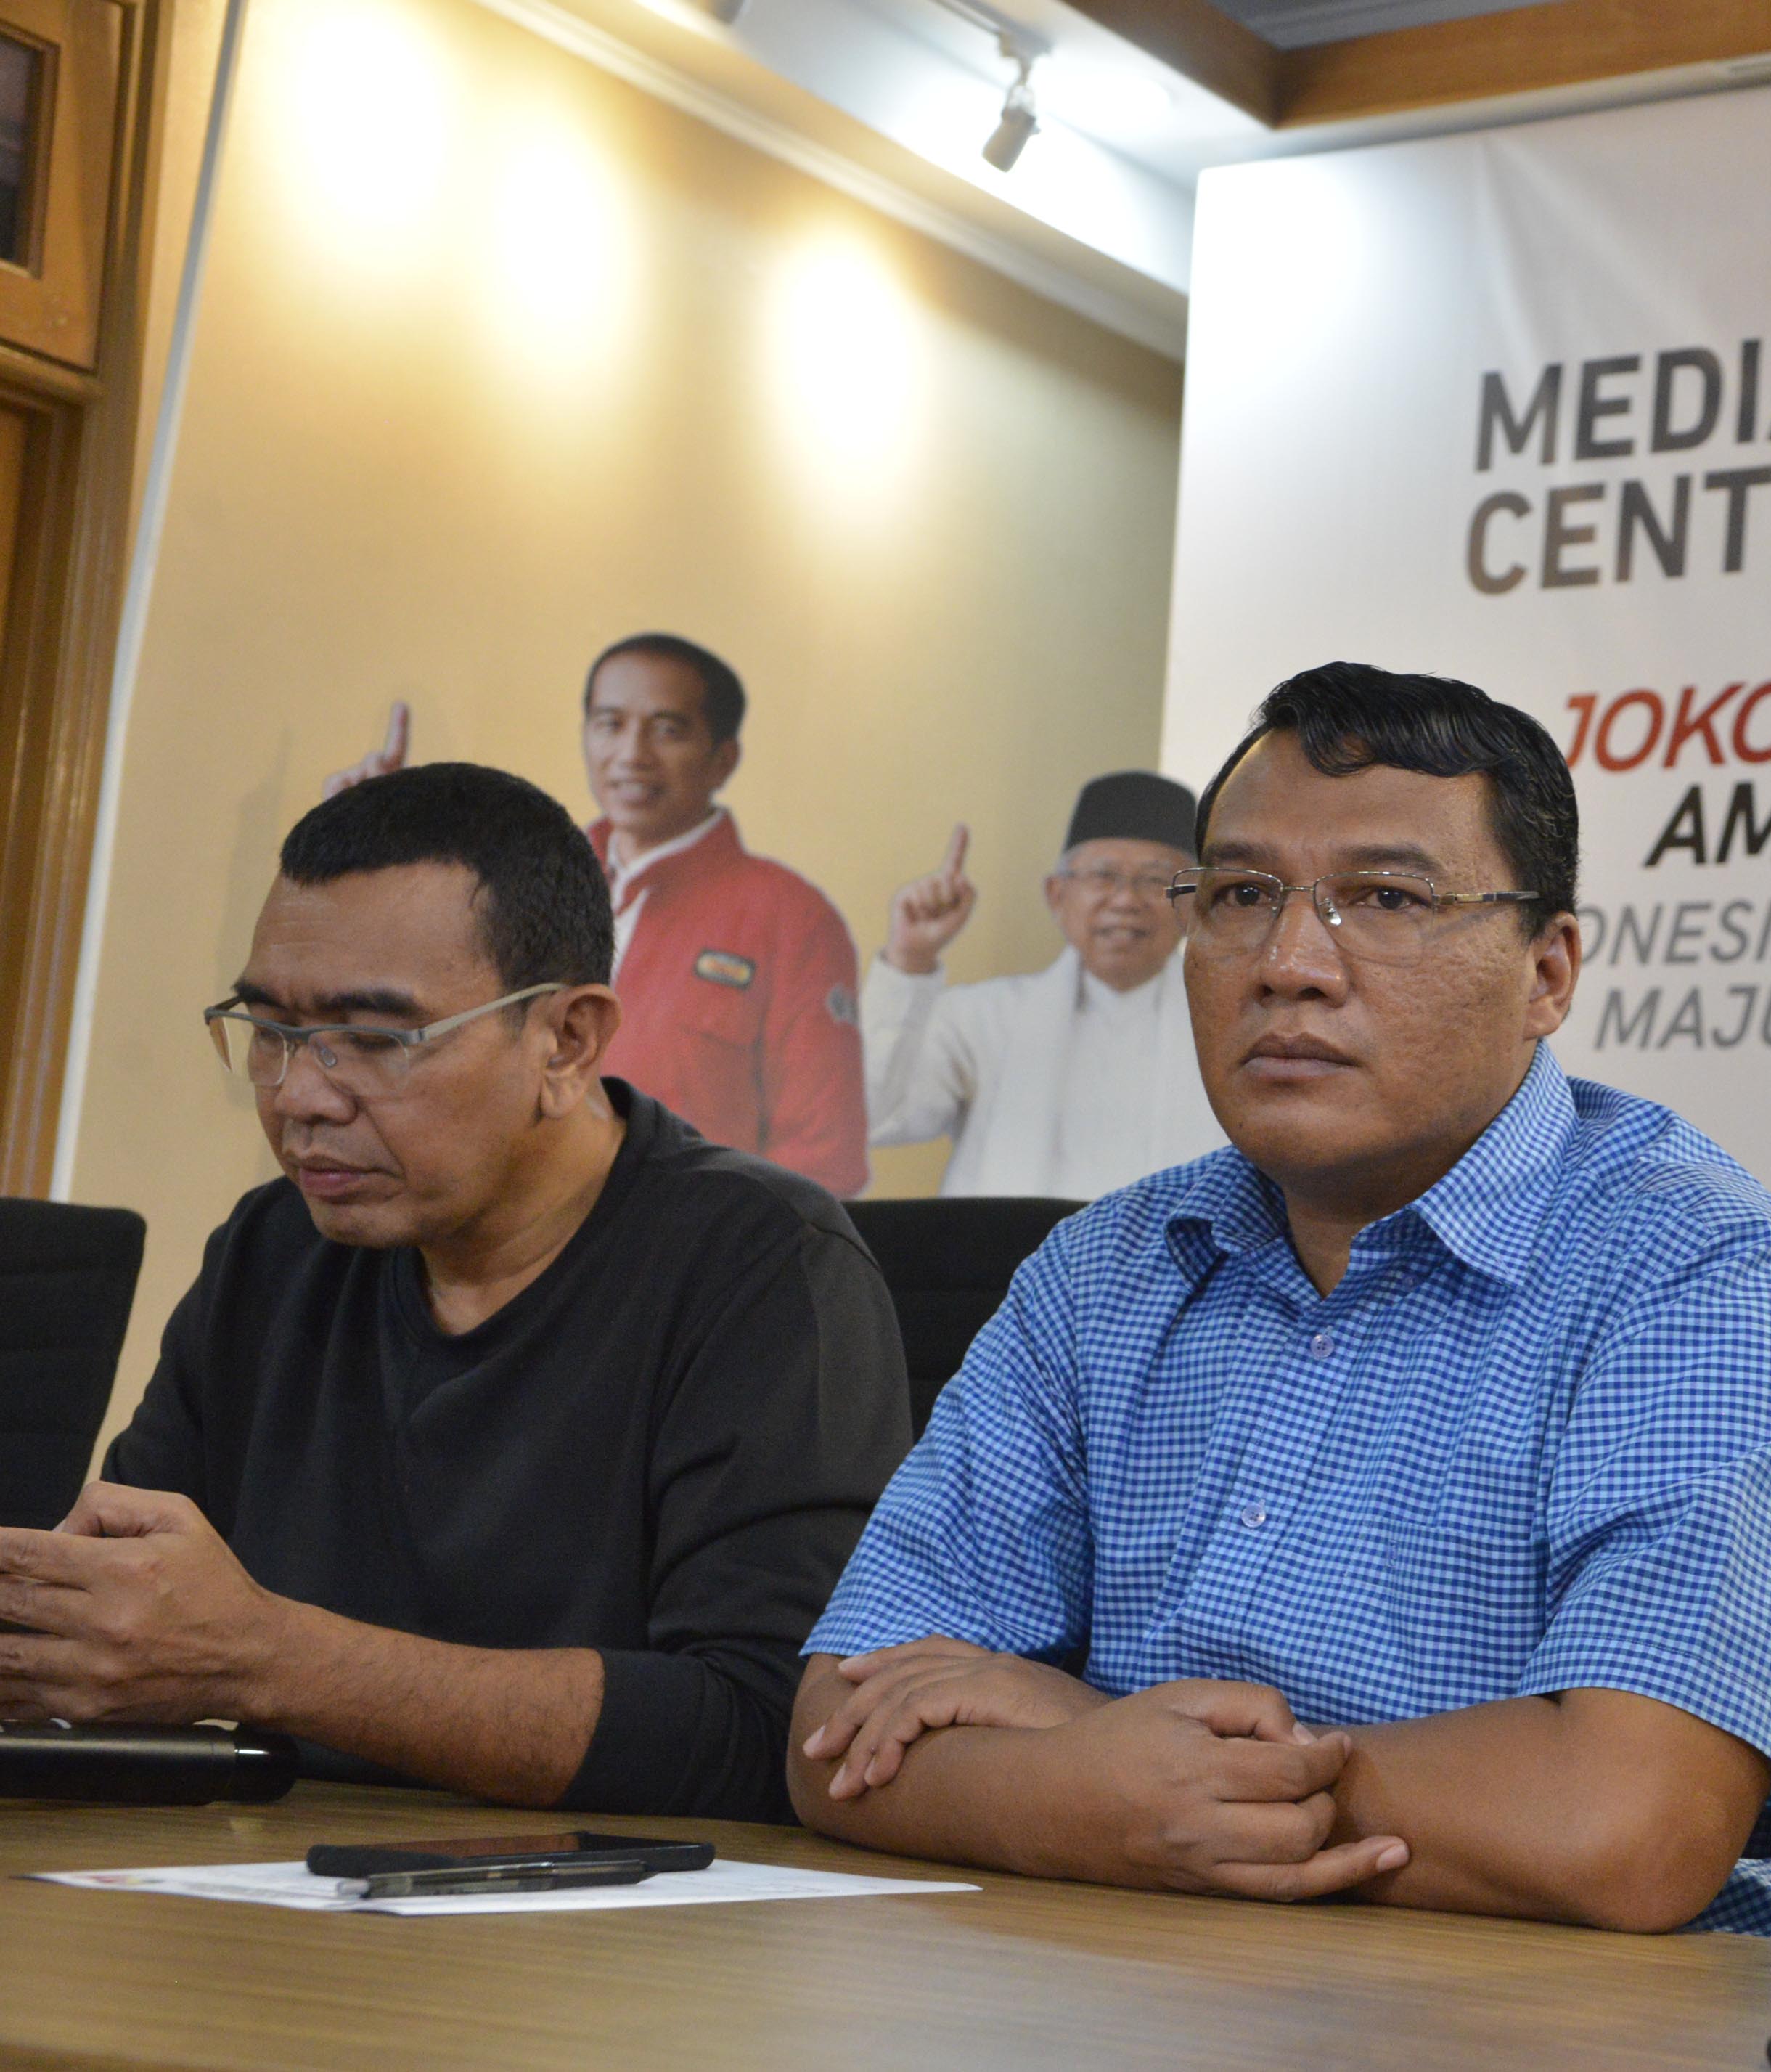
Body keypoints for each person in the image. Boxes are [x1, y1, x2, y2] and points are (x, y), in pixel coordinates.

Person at [785, 664, 1771, 1945]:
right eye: (1240, 895)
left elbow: (1623, 1830)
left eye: (1386, 898)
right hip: (1168, 1998)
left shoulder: (1706, 1277)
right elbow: (839, 1728)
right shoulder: (1101, 1271)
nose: (1290, 963)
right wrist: (1114, 1790)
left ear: (1547, 972)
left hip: (1614, 2020)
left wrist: (1102, 1755)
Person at [0, 764, 912, 1819]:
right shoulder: (273, 1248)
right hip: (262, 1874)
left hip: (610, 1907)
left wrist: (271, 1660)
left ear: (566, 1040)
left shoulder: (760, 1264)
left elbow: (768, 1725)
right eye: (272, 1031)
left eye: (376, 1039)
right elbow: (121, 1626)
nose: (300, 1097)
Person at [326, 635, 870, 1196]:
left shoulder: (792, 916)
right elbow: (400, 1022)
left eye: (668, 730)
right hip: (505, 1228)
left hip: (690, 1239)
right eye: (610, 724)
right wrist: (373, 864)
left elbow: (823, 1153)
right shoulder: (512, 880)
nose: (633, 754)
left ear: (723, 758)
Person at [863, 772, 1225, 1198]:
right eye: (1103, 875)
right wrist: (910, 959)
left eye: (1155, 880)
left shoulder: (1228, 1028)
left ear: (1193, 902)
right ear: (1057, 895)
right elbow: (873, 1118)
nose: (1126, 900)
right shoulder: (982, 1019)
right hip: (1010, 1244)